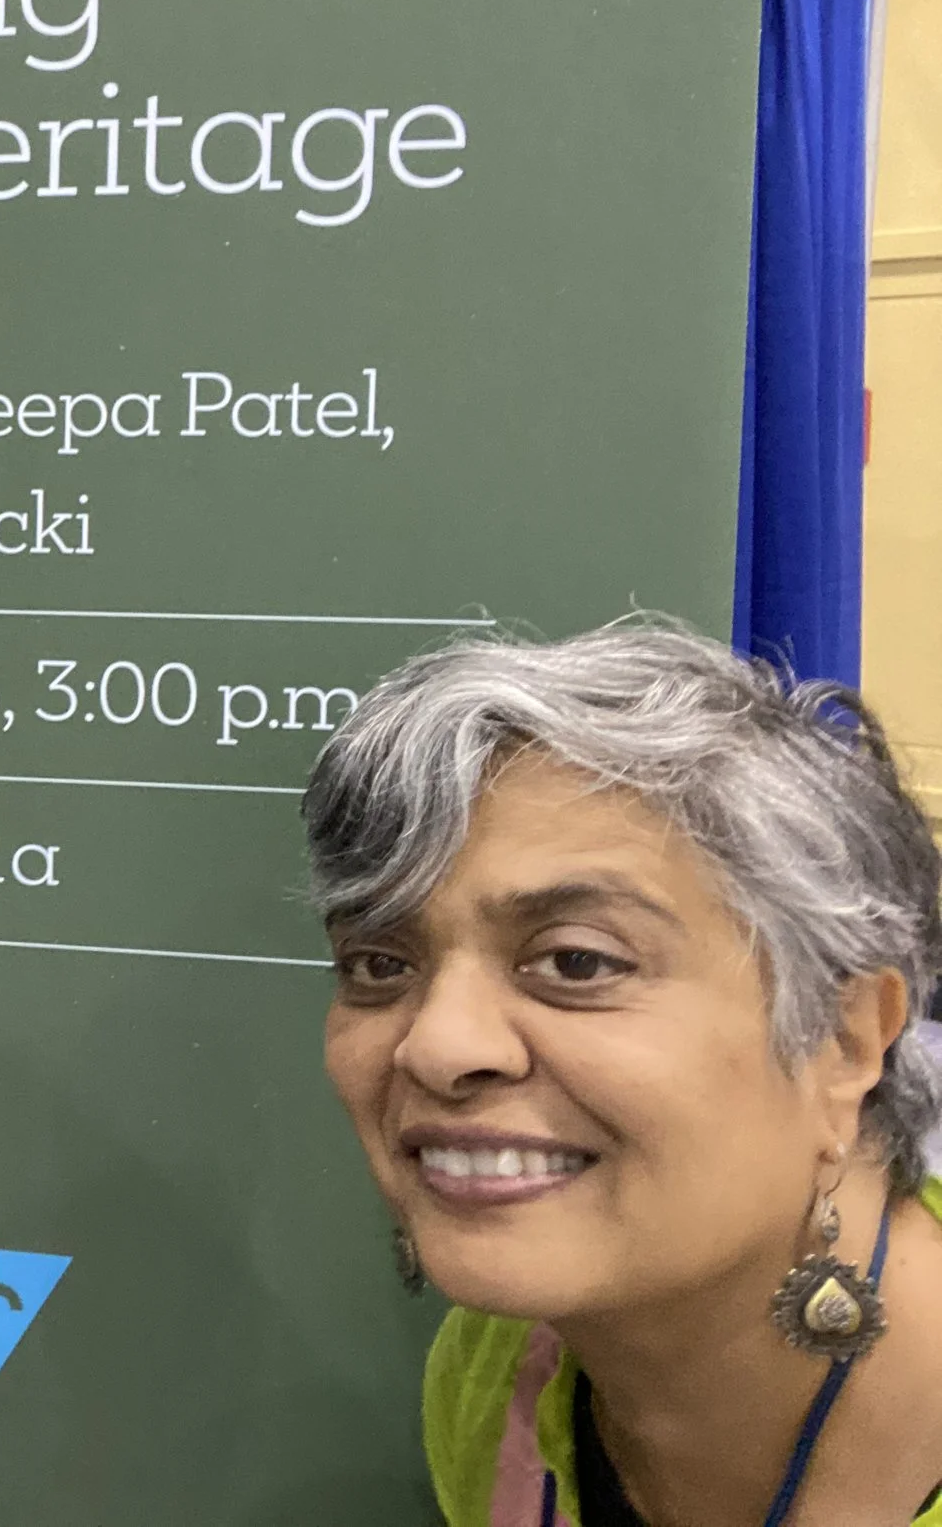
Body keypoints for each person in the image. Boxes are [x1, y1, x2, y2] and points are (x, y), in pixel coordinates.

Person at [305, 623, 942, 1527]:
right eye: (378, 964)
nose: (437, 1047)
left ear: (843, 1041)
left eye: (574, 961)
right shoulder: (500, 1374)